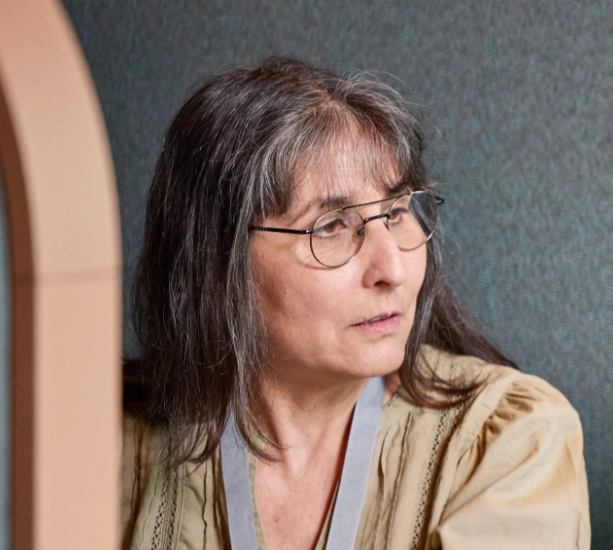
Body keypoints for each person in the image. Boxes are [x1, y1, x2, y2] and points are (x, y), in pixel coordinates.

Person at [118, 58, 588, 550]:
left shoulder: (510, 442)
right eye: (332, 227)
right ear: (217, 257)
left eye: (399, 211)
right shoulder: (98, 439)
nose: (393, 269)